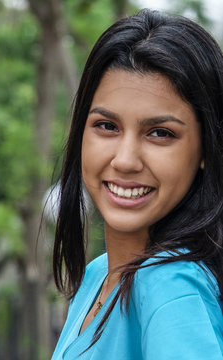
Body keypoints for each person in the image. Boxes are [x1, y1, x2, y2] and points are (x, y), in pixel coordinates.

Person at [51, 8, 223, 360]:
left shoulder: (170, 283)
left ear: (206, 149)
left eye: (160, 133)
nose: (125, 160)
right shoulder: (97, 274)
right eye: (107, 126)